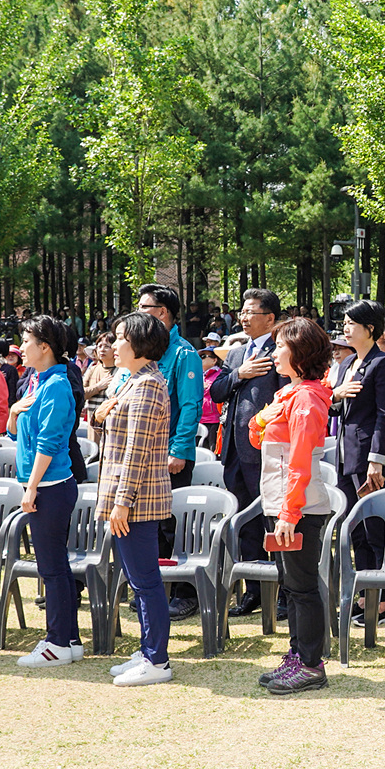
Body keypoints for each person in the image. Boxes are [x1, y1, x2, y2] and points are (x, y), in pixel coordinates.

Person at [250, 318, 334, 694]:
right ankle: (299, 655)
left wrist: (289, 513)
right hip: (282, 503)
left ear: (300, 352)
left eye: (281, 345)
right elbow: (258, 437)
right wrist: (260, 419)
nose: (274, 352)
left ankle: (310, 664)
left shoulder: (305, 398)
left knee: (302, 587)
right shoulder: (290, 392)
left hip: (298, 507)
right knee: (292, 586)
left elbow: (300, 462)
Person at [94, 312, 175, 686]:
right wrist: (100, 415)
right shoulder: (132, 381)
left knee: (145, 581)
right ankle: (148, 650)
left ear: (140, 344)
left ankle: (157, 659)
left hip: (137, 500)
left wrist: (122, 501)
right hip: (126, 497)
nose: (114, 344)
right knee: (138, 579)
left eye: (121, 337)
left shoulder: (147, 386)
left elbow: (136, 451)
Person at [124, 284, 203, 620]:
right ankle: (154, 589)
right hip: (145, 453)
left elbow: (191, 406)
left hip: (170, 455)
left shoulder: (184, 354)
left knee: (174, 525)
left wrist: (180, 449)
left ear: (163, 313)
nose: (139, 312)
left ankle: (186, 593)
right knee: (150, 526)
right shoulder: (142, 351)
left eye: (145, 307)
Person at [8, 316, 81, 667]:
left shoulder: (56, 385)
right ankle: (69, 639)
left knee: (51, 569)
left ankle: (57, 643)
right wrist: (13, 412)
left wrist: (32, 487)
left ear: (45, 347)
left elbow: (49, 443)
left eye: (27, 341)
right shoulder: (38, 381)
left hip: (50, 487)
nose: (22, 347)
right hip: (43, 486)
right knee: (56, 568)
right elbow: (18, 435)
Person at [209, 289, 286, 618]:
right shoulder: (238, 353)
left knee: (273, 521)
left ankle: (284, 592)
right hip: (235, 450)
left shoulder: (281, 350)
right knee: (246, 525)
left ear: (269, 318)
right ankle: (254, 590)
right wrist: (239, 373)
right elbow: (216, 391)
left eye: (250, 312)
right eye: (242, 311)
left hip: (266, 450)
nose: (243, 317)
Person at [331, 300, 385, 625]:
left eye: (351, 323)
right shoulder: (347, 363)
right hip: (345, 455)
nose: (345, 329)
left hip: (369, 456)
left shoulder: (382, 364)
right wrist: (336, 394)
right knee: (355, 528)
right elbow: (334, 406)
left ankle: (382, 600)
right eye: (344, 323)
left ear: (370, 328)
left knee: (374, 529)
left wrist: (377, 461)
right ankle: (364, 593)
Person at [82, 332, 117, 446]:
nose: (102, 349)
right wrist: (98, 387)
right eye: (99, 346)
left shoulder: (121, 371)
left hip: (112, 424)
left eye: (107, 346)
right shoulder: (92, 369)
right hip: (93, 423)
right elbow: (80, 394)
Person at [197, 345, 222, 448]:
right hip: (199, 419)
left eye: (204, 356)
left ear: (214, 360)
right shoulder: (198, 375)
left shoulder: (220, 374)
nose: (200, 359)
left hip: (214, 420)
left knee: (212, 450)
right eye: (200, 356)